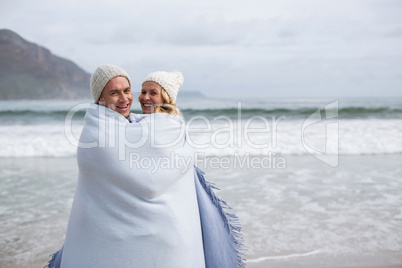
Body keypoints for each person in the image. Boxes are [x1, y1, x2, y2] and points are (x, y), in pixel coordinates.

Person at [46, 66, 245, 268]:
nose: (125, 98)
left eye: (127, 90)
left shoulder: (150, 127)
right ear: (100, 98)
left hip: (168, 236)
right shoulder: (96, 134)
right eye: (114, 93)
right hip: (107, 237)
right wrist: (187, 150)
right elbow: (148, 182)